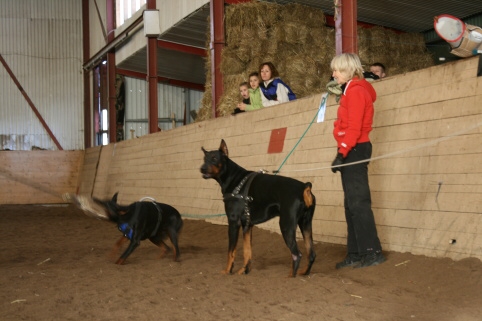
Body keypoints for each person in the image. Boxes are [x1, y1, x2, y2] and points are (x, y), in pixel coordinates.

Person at [330, 53, 386, 269]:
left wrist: (342, 152)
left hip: (355, 149)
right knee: (350, 203)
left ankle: (372, 251)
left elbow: (354, 128)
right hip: (351, 148)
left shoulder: (356, 91)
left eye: (337, 70)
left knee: (358, 202)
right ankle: (355, 252)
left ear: (349, 70)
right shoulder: (350, 91)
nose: (333, 74)